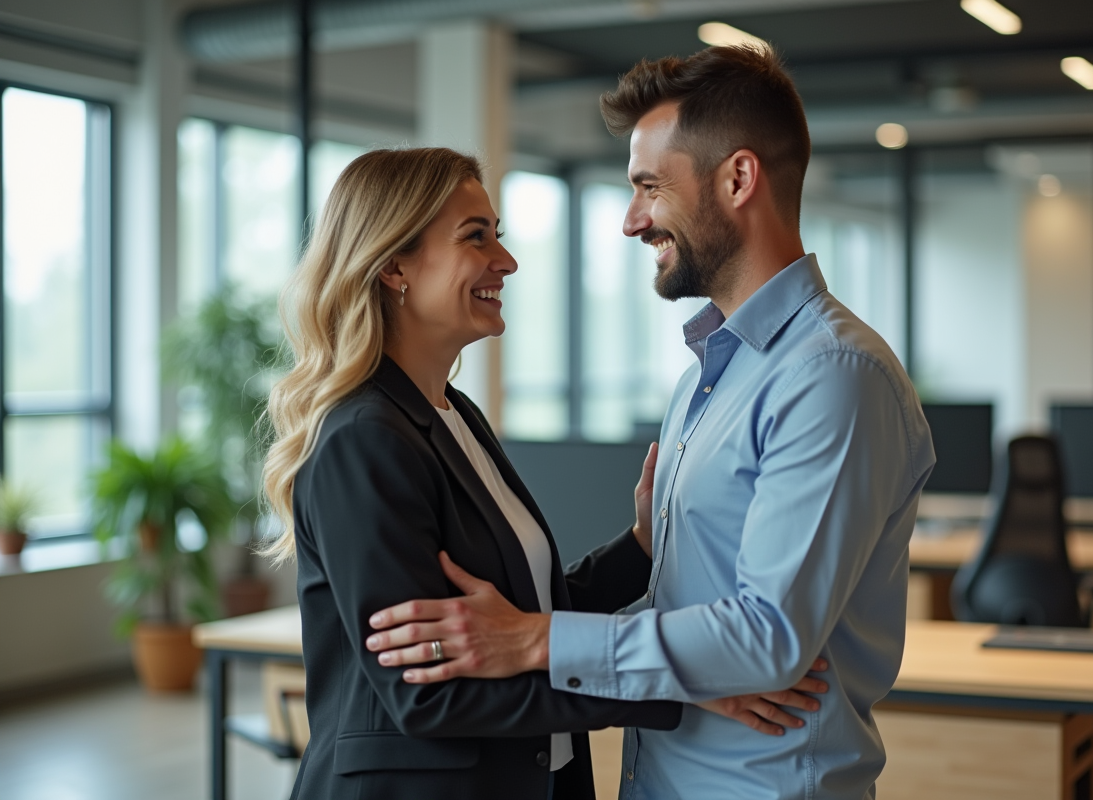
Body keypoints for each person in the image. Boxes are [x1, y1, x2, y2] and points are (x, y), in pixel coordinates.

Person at [363, 45, 936, 800]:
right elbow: (696, 612)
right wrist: (646, 547)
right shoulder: (707, 371)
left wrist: (535, 640)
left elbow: (768, 637)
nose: (632, 220)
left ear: (738, 179)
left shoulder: (832, 375)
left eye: (649, 187)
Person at [261, 147, 830, 800]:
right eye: (477, 238)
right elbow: (426, 694)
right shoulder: (364, 438)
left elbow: (517, 622)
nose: (506, 261)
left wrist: (640, 549)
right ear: (394, 264)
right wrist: (674, 689)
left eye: (498, 236)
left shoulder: (452, 415)